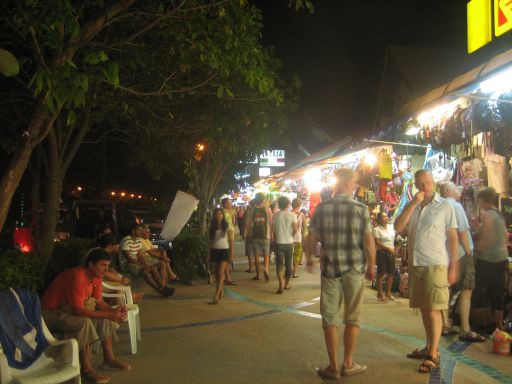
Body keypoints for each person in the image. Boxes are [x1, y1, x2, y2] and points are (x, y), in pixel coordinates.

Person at [306, 168, 376, 379]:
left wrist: (310, 258)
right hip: (354, 269)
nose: (356, 186)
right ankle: (348, 363)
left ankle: (333, 366)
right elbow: (368, 241)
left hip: (330, 270)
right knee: (352, 317)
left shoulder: (321, 209)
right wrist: (372, 265)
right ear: (346, 183)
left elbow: (311, 237)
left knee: (329, 317)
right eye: (355, 182)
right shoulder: (360, 209)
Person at [394, 170, 459, 374]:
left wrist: (454, 265)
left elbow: (453, 237)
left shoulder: (445, 206)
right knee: (423, 308)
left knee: (433, 309)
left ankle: (433, 353)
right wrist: (413, 204)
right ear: (415, 185)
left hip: (436, 263)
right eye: (421, 184)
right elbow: (397, 227)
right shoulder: (413, 205)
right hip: (416, 264)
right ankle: (429, 345)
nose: (425, 187)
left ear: (434, 183)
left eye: (428, 183)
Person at [41, 248, 131, 384]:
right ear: (91, 265)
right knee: (84, 322)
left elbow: (99, 302)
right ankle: (87, 370)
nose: (105, 269)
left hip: (66, 310)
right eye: (102, 265)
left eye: (107, 266)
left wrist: (114, 311)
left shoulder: (97, 277)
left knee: (105, 318)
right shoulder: (77, 276)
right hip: (49, 314)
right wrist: (109, 313)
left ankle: (109, 359)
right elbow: (78, 311)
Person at [439, 182, 485, 342]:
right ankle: (465, 328)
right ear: (449, 191)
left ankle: (445, 325)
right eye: (455, 188)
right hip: (460, 254)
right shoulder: (455, 206)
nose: (459, 191)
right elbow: (463, 232)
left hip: (445, 256)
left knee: (447, 291)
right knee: (467, 290)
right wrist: (468, 252)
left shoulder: (439, 205)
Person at [474, 186, 509, 330]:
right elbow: (505, 235)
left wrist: (475, 250)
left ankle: (477, 322)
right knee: (497, 292)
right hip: (501, 258)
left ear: (483, 200)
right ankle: (498, 324)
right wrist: (477, 227)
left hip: (488, 260)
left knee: (478, 289)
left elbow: (485, 240)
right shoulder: (499, 214)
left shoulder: (487, 214)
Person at [120, 224, 174, 297]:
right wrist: (142, 265)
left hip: (135, 262)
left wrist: (145, 264)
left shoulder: (138, 240)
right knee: (144, 271)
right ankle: (160, 290)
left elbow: (140, 255)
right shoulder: (126, 241)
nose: (141, 231)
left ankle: (162, 287)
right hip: (127, 264)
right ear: (133, 231)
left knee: (152, 268)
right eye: (139, 230)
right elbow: (129, 258)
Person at [98, 234, 144, 303]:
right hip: (96, 283)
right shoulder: (101, 255)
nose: (119, 247)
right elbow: (104, 273)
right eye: (117, 245)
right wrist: (121, 279)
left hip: (100, 280)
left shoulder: (106, 254)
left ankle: (125, 302)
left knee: (121, 285)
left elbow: (110, 269)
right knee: (121, 286)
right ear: (111, 245)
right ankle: (128, 300)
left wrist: (120, 276)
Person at [272, 196, 298, 294]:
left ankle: (280, 285)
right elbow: (295, 229)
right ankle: (286, 284)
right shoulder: (292, 215)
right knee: (288, 264)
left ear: (279, 204)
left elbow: (273, 230)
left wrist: (276, 238)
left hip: (279, 242)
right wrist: (291, 236)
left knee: (279, 264)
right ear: (288, 204)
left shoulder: (276, 215)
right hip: (289, 243)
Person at [208, 208, 234, 304]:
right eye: (217, 214)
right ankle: (221, 289)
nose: (219, 216)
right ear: (214, 216)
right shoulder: (212, 227)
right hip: (215, 251)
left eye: (220, 214)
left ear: (223, 215)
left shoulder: (227, 226)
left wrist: (231, 254)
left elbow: (231, 242)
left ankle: (216, 294)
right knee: (216, 273)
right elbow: (210, 242)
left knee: (220, 273)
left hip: (224, 251)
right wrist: (209, 253)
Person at [246, 192, 273, 281]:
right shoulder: (268, 209)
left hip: (255, 235)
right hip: (266, 235)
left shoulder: (251, 209)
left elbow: (248, 224)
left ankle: (258, 275)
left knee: (256, 255)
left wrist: (248, 234)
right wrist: (272, 234)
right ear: (263, 199)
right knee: (266, 255)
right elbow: (271, 222)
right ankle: (266, 269)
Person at [373, 212, 396, 302]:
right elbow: (377, 242)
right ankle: (380, 293)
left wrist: (395, 248)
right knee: (381, 273)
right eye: (383, 217)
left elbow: (394, 238)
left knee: (391, 273)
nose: (386, 218)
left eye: (386, 216)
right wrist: (388, 248)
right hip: (382, 253)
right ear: (379, 219)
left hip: (391, 252)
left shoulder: (391, 227)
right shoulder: (376, 229)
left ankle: (388, 293)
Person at [221, 197, 237, 285]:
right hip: (227, 236)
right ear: (225, 204)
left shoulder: (228, 212)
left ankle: (226, 277)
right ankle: (227, 277)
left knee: (226, 257)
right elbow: (228, 226)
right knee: (227, 257)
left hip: (229, 235)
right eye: (229, 202)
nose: (231, 204)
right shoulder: (224, 212)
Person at [291, 198, 307, 278]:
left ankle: (289, 270)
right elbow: (305, 227)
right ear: (299, 205)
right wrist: (303, 235)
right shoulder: (301, 215)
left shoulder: (289, 213)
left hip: (288, 239)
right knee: (296, 256)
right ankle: (294, 272)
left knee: (289, 256)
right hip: (298, 238)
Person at [243, 202, 255, 273]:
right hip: (260, 233)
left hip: (250, 233)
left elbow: (247, 224)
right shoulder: (263, 210)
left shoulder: (249, 211)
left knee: (250, 250)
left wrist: (245, 233)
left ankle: (251, 267)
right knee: (257, 251)